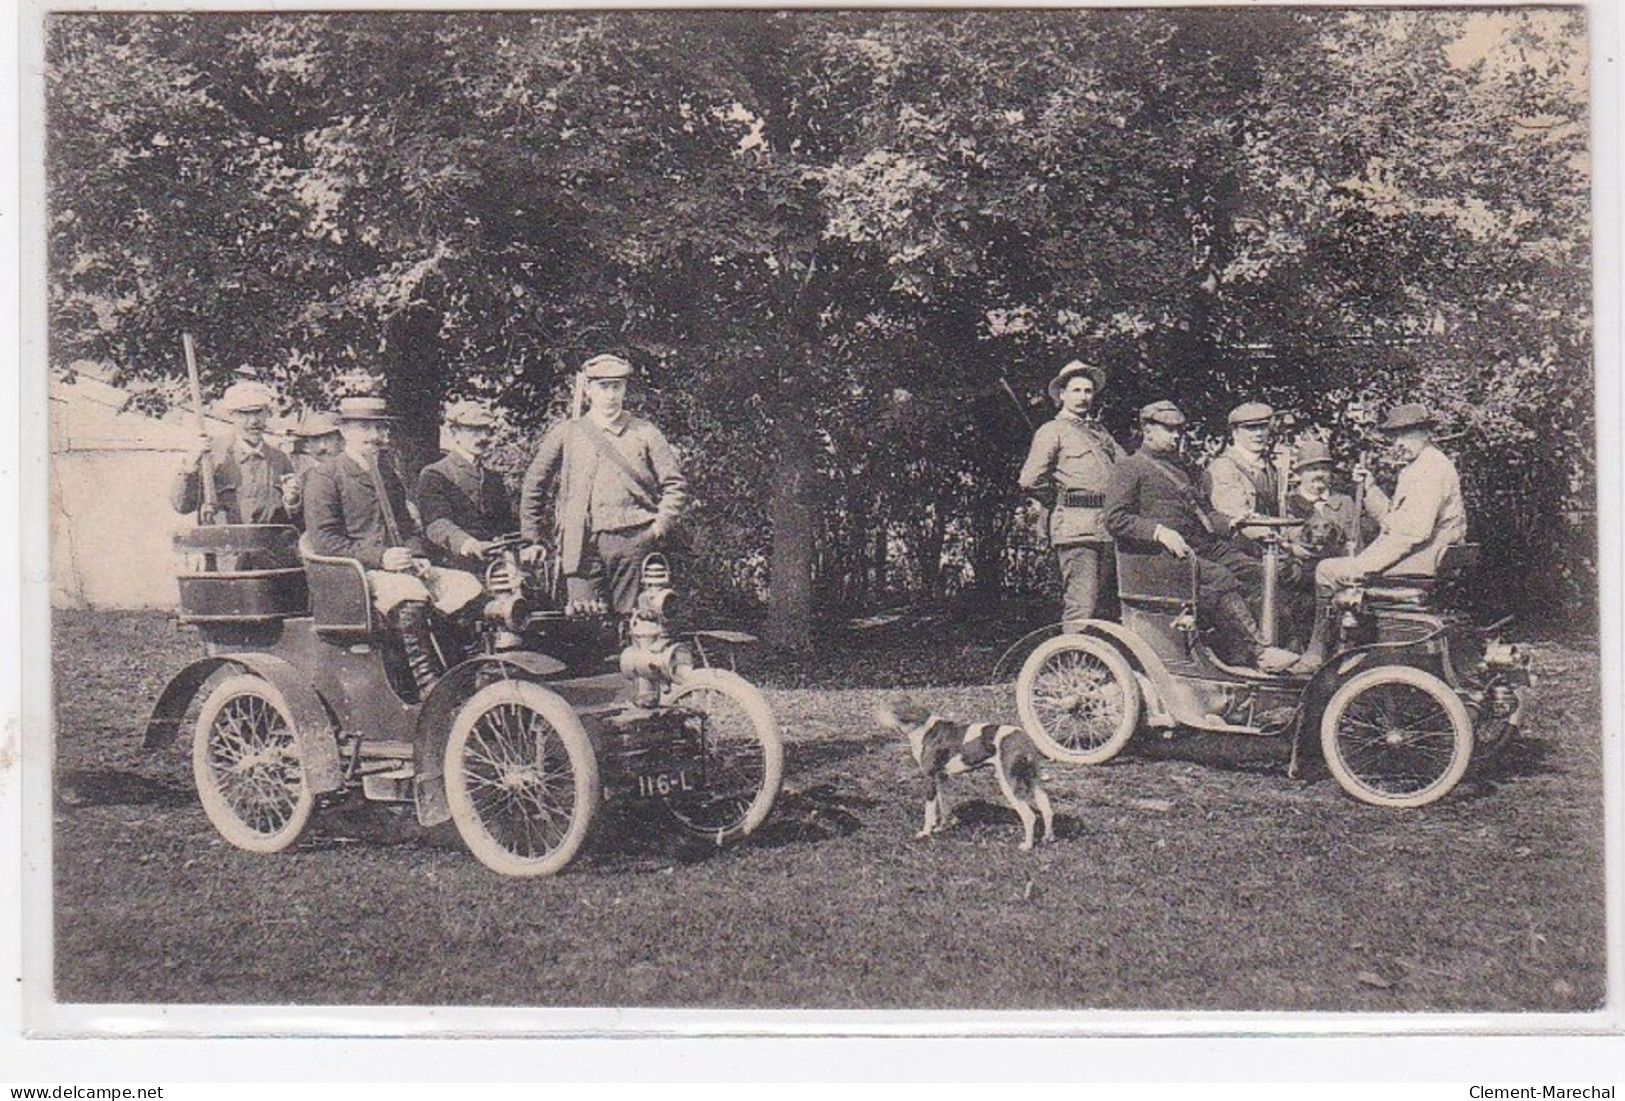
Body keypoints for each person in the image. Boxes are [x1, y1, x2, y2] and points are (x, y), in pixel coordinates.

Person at [303, 395, 485, 698]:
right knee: (408, 594)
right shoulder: (327, 476)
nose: (374, 437)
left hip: (400, 568)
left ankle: (467, 676)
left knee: (465, 585)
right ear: (345, 431)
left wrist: (416, 555)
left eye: (379, 429)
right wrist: (382, 557)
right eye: (365, 428)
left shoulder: (386, 473)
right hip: (357, 575)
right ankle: (426, 688)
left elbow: (407, 526)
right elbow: (324, 541)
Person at [1102, 400, 1299, 674]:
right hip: (1157, 559)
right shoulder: (1130, 467)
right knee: (1220, 579)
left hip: (1199, 548)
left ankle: (1249, 656)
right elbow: (1114, 518)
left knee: (1262, 571)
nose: (1176, 436)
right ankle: (1261, 652)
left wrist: (1233, 522)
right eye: (1169, 430)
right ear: (1148, 430)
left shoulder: (1184, 469)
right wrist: (1158, 532)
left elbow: (1206, 513)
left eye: (1179, 430)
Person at [1291, 403, 1468, 672]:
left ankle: (1318, 653)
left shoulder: (1429, 471)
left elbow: (1413, 533)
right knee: (1338, 571)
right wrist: (1370, 488)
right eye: (1393, 437)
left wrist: (1363, 565)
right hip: (1423, 561)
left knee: (1326, 570)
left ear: (1425, 433)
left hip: (1420, 562)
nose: (1397, 443)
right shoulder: (1421, 466)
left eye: (1404, 436)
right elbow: (1395, 522)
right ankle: (1345, 651)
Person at [519, 353, 688, 614]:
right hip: (579, 542)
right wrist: (532, 537)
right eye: (603, 387)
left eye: (616, 387)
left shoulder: (645, 433)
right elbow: (535, 483)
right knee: (583, 621)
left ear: (625, 389)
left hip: (632, 540)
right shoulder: (568, 432)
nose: (610, 395)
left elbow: (675, 485)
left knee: (634, 620)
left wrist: (658, 528)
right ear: (588, 389)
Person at [1017, 359, 1121, 630]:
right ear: (1061, 394)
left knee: (1104, 604)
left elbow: (1126, 469)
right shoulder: (1052, 431)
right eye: (1076, 390)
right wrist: (1056, 499)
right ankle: (1073, 665)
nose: (1083, 397)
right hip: (1076, 528)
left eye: (1088, 391)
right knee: (1081, 604)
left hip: (1107, 527)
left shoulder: (1101, 434)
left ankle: (1097, 662)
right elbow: (1029, 479)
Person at [1280, 438, 1380, 649]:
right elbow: (1288, 544)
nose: (1318, 474)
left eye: (1324, 468)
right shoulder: (1287, 505)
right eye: (1311, 469)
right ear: (1299, 473)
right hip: (1303, 583)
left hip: (1341, 580)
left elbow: (1357, 545)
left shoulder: (1345, 502)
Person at [171, 380, 294, 525]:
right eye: (244, 414)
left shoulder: (279, 459)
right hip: (222, 544)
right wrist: (190, 466)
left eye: (259, 412)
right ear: (231, 415)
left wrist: (293, 501)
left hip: (265, 544)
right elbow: (182, 506)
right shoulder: (210, 454)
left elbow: (291, 519)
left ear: (268, 413)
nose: (253, 421)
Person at [417, 401, 517, 572]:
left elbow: (506, 524)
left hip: (494, 562)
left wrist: (527, 544)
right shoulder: (436, 474)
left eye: (485, 430)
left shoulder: (493, 478)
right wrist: (469, 545)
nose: (481, 437)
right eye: (473, 430)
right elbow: (437, 524)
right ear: (455, 433)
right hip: (453, 563)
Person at [280, 411, 344, 530]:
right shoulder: (304, 479)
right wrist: (292, 501)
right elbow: (296, 522)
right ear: (307, 445)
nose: (322, 446)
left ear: (341, 440)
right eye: (315, 440)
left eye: (329, 439)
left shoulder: (353, 473)